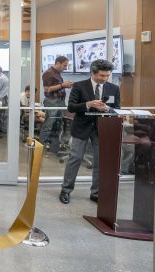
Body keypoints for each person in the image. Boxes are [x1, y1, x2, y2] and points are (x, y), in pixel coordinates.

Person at [59, 59, 120, 205]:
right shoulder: (79, 86)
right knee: (75, 158)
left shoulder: (114, 88)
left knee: (100, 162)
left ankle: (96, 193)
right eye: (102, 75)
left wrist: (107, 109)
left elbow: (117, 109)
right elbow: (71, 107)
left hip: (102, 129)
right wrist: (88, 104)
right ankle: (66, 190)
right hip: (82, 127)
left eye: (107, 75)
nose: (105, 78)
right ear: (92, 73)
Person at [39, 56, 73, 153]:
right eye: (64, 65)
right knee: (49, 124)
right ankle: (42, 146)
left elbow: (56, 87)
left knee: (58, 124)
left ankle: (54, 145)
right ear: (58, 63)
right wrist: (63, 85)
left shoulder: (57, 73)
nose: (65, 68)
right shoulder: (48, 73)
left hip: (59, 101)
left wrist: (65, 85)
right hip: (52, 101)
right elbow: (47, 89)